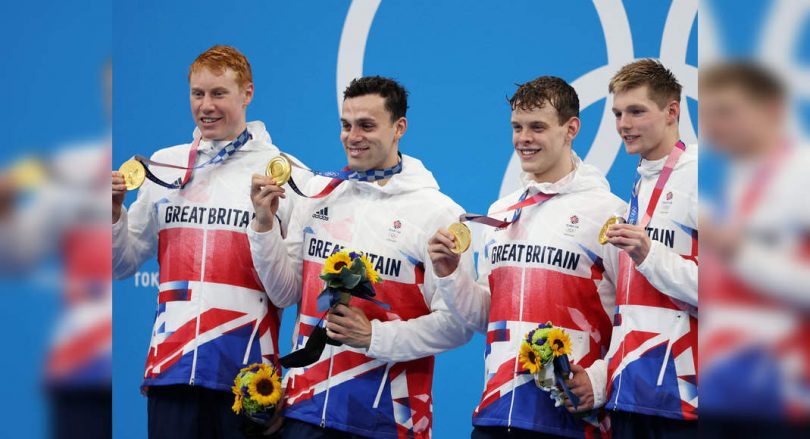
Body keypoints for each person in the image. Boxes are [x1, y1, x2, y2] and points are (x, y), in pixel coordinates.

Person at [248, 76, 473, 438]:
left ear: (399, 127)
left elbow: (457, 325)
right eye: (346, 125)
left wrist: (374, 337)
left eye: (367, 126)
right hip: (304, 411)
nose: (353, 137)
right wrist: (263, 225)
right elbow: (284, 293)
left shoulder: (437, 213)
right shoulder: (317, 193)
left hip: (386, 420)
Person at [112, 45, 307, 438]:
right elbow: (122, 264)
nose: (206, 106)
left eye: (219, 93)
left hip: (248, 379)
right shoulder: (164, 167)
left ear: (247, 93)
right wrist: (114, 212)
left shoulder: (285, 173)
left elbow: (287, 293)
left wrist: (264, 223)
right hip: (171, 369)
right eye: (197, 94)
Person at [428, 76, 624, 438]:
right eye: (517, 127)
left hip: (569, 420)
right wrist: (450, 273)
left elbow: (633, 320)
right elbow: (486, 316)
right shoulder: (501, 212)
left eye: (537, 127)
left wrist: (598, 380)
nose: (523, 138)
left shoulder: (609, 214)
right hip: (496, 414)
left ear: (571, 129)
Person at [699, 61, 810, 437]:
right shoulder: (738, 178)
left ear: (773, 109)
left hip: (785, 401)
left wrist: (737, 251)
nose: (714, 125)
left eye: (726, 111)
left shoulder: (803, 172)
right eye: (707, 114)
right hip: (726, 392)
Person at [601, 59, 698, 438]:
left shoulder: (700, 176)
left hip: (684, 399)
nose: (623, 124)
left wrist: (649, 254)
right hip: (630, 395)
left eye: (636, 111)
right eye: (618, 113)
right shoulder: (641, 184)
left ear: (672, 111)